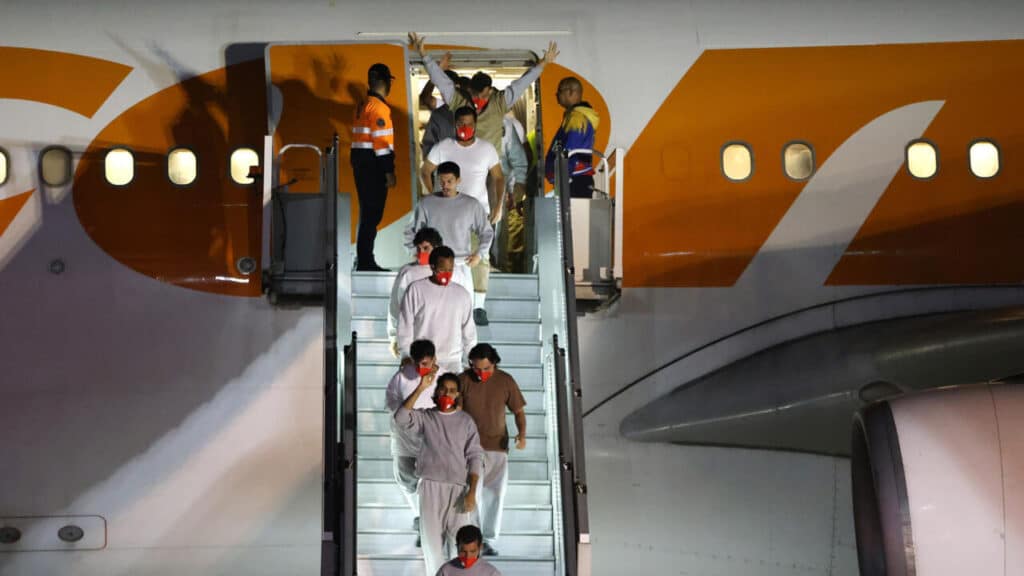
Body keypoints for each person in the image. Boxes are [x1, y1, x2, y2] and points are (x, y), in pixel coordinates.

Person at [411, 32, 559, 156]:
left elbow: (522, 84)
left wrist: (543, 64)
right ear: (469, 90)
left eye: (482, 96)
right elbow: (441, 81)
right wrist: (424, 55)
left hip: (490, 165)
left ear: (489, 90)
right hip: (464, 162)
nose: (477, 100)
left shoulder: (500, 102)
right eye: (474, 95)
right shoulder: (459, 102)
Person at [419, 107, 503, 326]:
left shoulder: (486, 149)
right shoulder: (443, 147)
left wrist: (499, 205)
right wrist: (432, 196)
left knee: (480, 257)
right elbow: (425, 170)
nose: (464, 128)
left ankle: (479, 306)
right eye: (460, 123)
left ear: (475, 124)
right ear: (454, 124)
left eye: (468, 123)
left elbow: (498, 177)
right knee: (444, 257)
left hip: (478, 210)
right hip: (448, 211)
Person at [395, 372, 483, 576]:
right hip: (430, 486)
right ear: (436, 392)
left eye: (452, 391)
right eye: (443, 389)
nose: (447, 394)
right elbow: (400, 418)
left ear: (458, 394)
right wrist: (420, 388)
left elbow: (475, 457)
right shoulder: (426, 417)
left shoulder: (466, 421)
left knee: (458, 545)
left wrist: (471, 492)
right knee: (432, 546)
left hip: (458, 489)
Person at [458, 344, 527, 556]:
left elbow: (518, 411)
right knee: (473, 492)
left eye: (486, 369)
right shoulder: (463, 380)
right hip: (471, 448)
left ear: (494, 363)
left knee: (496, 493)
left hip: (498, 446)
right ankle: (475, 537)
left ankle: (487, 538)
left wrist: (522, 434)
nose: (481, 374)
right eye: (477, 369)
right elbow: (456, 412)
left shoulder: (505, 380)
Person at [406, 161, 492, 303]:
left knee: (463, 310)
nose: (445, 185)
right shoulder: (426, 203)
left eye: (449, 181)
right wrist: (414, 252)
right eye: (442, 181)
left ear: (458, 180)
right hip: (431, 266)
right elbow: (411, 231)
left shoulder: (471, 205)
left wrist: (479, 254)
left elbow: (487, 232)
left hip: (460, 265)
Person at [397, 246, 476, 374]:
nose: (447, 273)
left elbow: (469, 331)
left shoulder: (462, 294)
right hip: (423, 360)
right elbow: (405, 325)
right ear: (432, 266)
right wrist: (406, 355)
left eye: (450, 270)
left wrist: (470, 360)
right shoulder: (415, 289)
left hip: (453, 362)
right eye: (442, 269)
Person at [385, 339, 439, 524]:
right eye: (417, 363)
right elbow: (396, 411)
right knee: (407, 482)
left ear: (434, 359)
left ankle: (426, 519)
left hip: (432, 442)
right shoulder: (400, 377)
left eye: (425, 363)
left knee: (432, 483)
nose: (420, 367)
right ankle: (419, 516)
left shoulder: (444, 377)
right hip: (405, 442)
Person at [389, 227, 464, 358]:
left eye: (425, 248)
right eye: (418, 249)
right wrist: (394, 336)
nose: (420, 253)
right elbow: (396, 306)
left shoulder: (455, 273)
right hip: (419, 347)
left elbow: (464, 311)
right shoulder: (407, 273)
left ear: (437, 247)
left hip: (449, 347)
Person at [351, 62, 397, 271]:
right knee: (372, 215)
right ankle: (366, 261)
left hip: (362, 164)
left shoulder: (363, 105)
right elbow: (381, 142)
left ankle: (364, 258)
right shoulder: (379, 108)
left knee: (367, 215)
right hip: (373, 167)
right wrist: (389, 171)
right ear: (384, 82)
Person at [545, 77, 600, 198]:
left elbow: (570, 151)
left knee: (573, 216)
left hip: (573, 180)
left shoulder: (577, 118)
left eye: (559, 91)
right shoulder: (577, 116)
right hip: (574, 178)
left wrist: (562, 178)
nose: (557, 95)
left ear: (570, 92)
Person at [498, 113, 529, 272]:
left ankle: (506, 269)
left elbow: (520, 160)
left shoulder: (508, 124)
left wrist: (515, 189)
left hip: (503, 190)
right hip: (502, 189)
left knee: (504, 235)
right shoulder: (511, 123)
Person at [420, 68, 470, 160]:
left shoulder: (471, 110)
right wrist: (435, 76)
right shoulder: (441, 108)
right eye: (441, 89)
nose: (443, 93)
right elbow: (425, 97)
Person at [435, 525, 503, 576]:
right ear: (457, 547)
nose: (468, 556)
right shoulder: (445, 571)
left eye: (472, 551)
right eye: (463, 551)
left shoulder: (491, 573)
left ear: (480, 548)